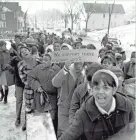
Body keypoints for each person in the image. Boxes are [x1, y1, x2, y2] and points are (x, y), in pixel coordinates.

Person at [58, 69, 135, 140]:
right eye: (96, 88)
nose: (100, 92)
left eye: (106, 88)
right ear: (91, 91)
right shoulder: (83, 114)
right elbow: (67, 137)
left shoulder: (126, 105)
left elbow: (131, 128)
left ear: (114, 90)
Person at [27, 53, 60, 134]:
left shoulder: (57, 70)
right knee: (41, 118)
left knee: (52, 119)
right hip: (40, 98)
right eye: (43, 60)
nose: (43, 62)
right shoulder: (38, 68)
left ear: (52, 61)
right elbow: (30, 77)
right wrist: (37, 86)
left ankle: (52, 135)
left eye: (46, 60)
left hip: (52, 99)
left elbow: (60, 84)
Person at [52, 61, 85, 137]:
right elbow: (55, 83)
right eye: (76, 62)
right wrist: (65, 69)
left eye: (80, 62)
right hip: (64, 108)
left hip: (79, 110)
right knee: (63, 133)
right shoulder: (66, 71)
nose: (78, 63)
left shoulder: (86, 73)